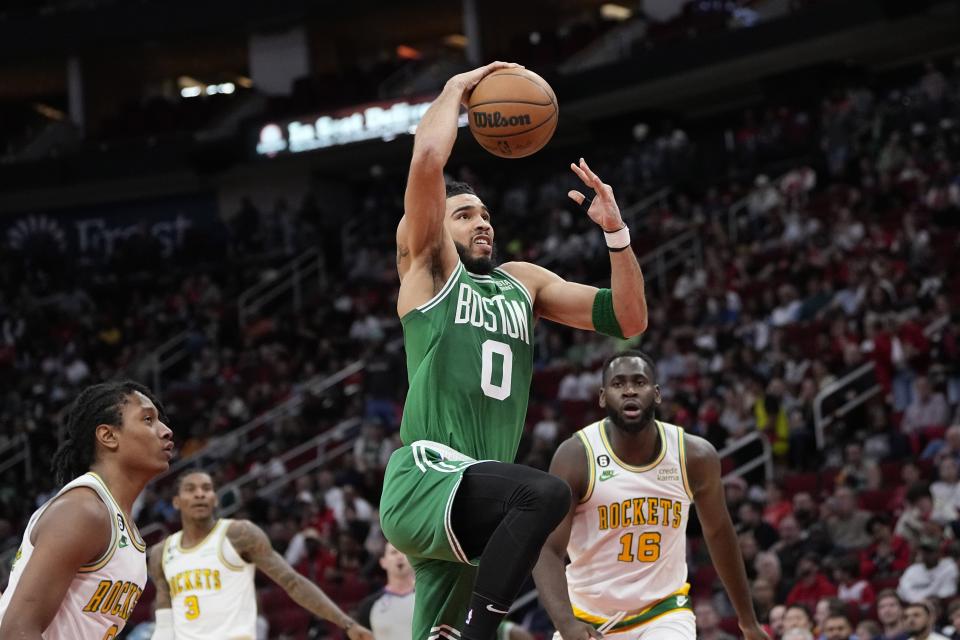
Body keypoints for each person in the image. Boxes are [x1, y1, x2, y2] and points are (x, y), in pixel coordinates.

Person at [380, 61, 649, 640]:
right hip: (429, 475)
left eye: (485, 215)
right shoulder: (429, 269)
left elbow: (629, 319)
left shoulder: (521, 282)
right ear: (432, 226)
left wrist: (616, 235)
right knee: (547, 493)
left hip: (476, 500)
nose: (482, 224)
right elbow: (427, 162)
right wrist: (455, 90)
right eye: (464, 214)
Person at [532, 352, 767, 639]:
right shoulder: (577, 456)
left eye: (639, 382)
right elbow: (547, 548)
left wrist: (748, 621)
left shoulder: (693, 455)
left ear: (656, 394)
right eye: (618, 384)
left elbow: (719, 533)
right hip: (587, 619)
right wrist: (565, 623)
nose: (629, 390)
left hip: (664, 613)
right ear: (603, 397)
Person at [0, 380, 174, 639]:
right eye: (148, 420)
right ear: (108, 436)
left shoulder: (122, 526)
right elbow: (17, 631)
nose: (166, 431)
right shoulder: (84, 511)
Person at [148, 470, 372, 640]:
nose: (199, 494)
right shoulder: (161, 553)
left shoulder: (238, 534)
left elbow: (293, 582)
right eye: (190, 489)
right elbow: (165, 616)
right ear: (176, 502)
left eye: (206, 488)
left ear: (215, 498)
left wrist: (347, 623)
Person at [357, 543, 416, 640]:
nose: (400, 556)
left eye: (404, 552)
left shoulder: (429, 600)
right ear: (383, 562)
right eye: (394, 553)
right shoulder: (368, 606)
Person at [897, 538, 958, 604]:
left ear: (939, 553)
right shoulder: (912, 569)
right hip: (913, 605)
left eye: (930, 552)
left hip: (937, 606)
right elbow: (903, 591)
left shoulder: (948, 567)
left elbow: (946, 593)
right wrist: (918, 601)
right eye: (923, 552)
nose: (926, 555)